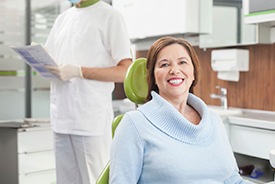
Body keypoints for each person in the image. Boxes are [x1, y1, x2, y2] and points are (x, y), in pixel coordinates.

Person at [109, 36, 254, 184]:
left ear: (193, 72)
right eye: (164, 64)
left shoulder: (213, 120)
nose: (175, 70)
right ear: (153, 76)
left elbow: (233, 180)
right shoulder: (133, 124)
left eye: (182, 62)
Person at [44, 0, 132, 183]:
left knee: (95, 180)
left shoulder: (110, 16)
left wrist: (79, 71)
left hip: (90, 121)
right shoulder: (62, 19)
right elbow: (50, 59)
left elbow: (125, 71)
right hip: (61, 117)